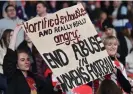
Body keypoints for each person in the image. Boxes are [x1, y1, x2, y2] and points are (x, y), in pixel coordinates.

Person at [3, 26, 56, 94]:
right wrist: (15, 32)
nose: (26, 62)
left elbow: (47, 90)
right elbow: (10, 56)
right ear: (16, 64)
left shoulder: (33, 77)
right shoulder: (12, 76)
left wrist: (55, 88)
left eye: (28, 59)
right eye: (22, 60)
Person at [0, 29, 13, 94]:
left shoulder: (12, 48)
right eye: (11, 35)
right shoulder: (1, 48)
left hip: (9, 75)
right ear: (5, 36)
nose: (13, 37)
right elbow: (3, 61)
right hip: (1, 75)